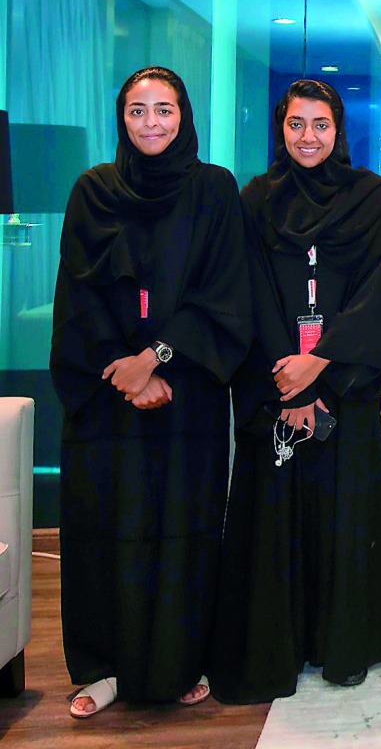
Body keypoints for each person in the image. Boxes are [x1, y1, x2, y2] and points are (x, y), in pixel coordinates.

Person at [50, 66, 252, 717]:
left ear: (183, 115)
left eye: (164, 109)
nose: (151, 123)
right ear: (122, 119)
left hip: (185, 393)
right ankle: (103, 669)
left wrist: (158, 358)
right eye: (138, 111)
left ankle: (179, 664)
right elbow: (77, 295)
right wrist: (126, 370)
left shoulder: (214, 190)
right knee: (103, 528)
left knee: (181, 530)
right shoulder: (93, 190)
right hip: (108, 397)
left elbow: (226, 291)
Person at [209, 79, 381, 701]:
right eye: (296, 125)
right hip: (277, 389)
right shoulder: (254, 201)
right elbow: (246, 294)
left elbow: (380, 292)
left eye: (320, 125)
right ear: (281, 130)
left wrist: (321, 365)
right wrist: (290, 386)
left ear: (339, 130)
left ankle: (341, 644)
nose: (308, 137)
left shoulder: (373, 199)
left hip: (343, 391)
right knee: (274, 518)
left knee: (344, 516)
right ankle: (281, 643)